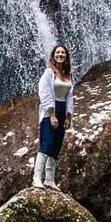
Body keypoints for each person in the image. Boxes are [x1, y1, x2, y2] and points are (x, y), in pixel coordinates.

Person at [33, 44, 75, 190]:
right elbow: (44, 93)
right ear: (53, 55)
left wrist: (69, 116)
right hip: (50, 110)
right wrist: (52, 114)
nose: (60, 55)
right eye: (58, 52)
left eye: (63, 53)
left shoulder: (67, 75)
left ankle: (49, 180)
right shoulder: (48, 73)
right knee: (47, 143)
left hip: (63, 110)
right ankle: (37, 178)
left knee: (56, 145)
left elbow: (70, 96)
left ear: (66, 56)